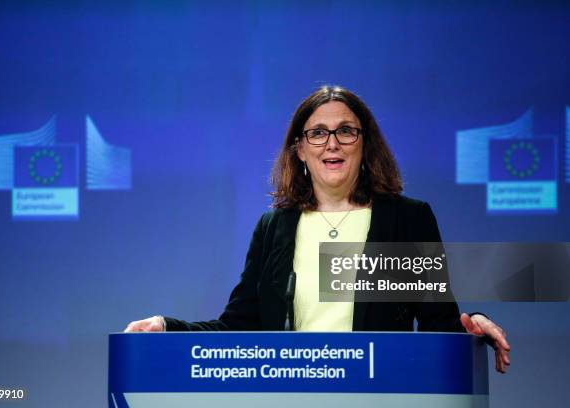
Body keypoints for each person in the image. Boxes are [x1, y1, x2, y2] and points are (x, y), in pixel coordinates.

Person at [125, 85, 511, 373]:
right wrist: (169, 328)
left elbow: (436, 323)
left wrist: (470, 324)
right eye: (318, 133)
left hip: (380, 395)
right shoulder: (274, 227)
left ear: (364, 144)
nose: (333, 143)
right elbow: (240, 326)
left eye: (346, 131)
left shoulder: (404, 219)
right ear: (300, 149)